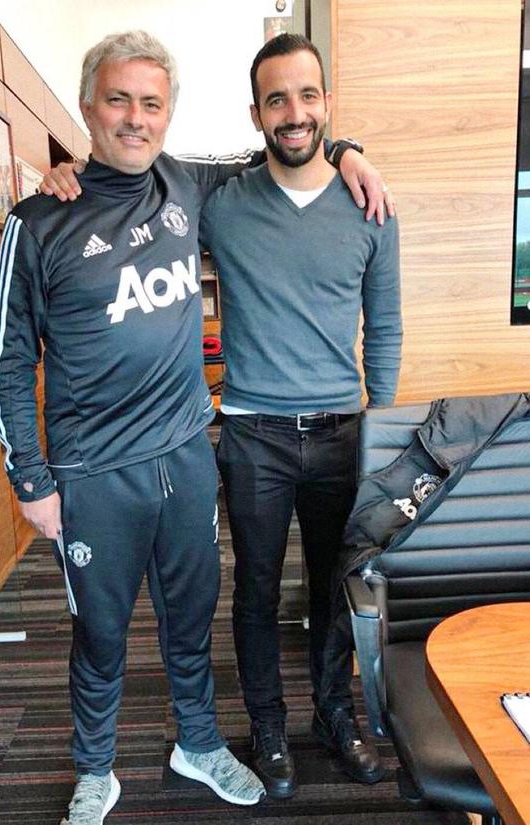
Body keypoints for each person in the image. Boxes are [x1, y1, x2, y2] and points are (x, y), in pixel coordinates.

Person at [4, 31, 389, 825]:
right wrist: (30, 476)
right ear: (87, 107)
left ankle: (201, 742)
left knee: (192, 618)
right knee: (100, 631)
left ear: (169, 112)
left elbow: (288, 144)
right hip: (93, 471)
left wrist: (347, 149)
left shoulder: (187, 185)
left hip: (186, 455)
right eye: (118, 100)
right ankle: (95, 767)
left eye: (151, 103)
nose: (135, 118)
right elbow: (9, 362)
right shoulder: (40, 220)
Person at [200, 34, 402, 797]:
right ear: (256, 113)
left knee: (335, 588)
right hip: (253, 434)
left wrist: (382, 429)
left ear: (327, 102)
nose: (294, 113)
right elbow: (148, 180)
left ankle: (333, 715)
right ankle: (269, 726)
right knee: (255, 589)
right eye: (277, 99)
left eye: (307, 95)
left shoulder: (370, 207)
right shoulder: (223, 207)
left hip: (343, 434)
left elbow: (385, 325)